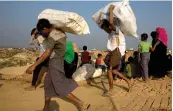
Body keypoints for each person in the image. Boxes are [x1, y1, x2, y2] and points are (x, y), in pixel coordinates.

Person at [26, 19, 90, 111]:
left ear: (45, 28)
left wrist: (34, 65)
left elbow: (47, 53)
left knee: (60, 88)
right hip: (54, 63)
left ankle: (82, 103)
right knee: (48, 86)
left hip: (56, 64)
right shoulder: (59, 32)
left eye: (41, 31)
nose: (41, 34)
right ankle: (46, 108)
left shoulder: (53, 37)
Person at [100, 4, 131, 94]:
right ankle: (127, 81)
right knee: (113, 71)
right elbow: (105, 27)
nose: (107, 28)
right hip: (113, 53)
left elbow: (110, 23)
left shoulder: (117, 31)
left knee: (109, 71)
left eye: (108, 27)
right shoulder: (111, 33)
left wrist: (110, 10)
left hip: (117, 53)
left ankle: (111, 89)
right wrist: (102, 23)